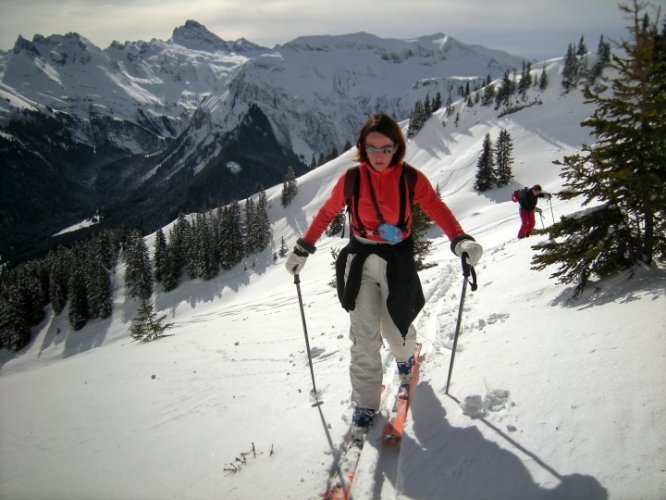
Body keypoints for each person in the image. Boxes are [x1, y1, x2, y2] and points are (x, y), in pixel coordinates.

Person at [285, 112, 483, 445]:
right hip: (361, 259)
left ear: (396, 148)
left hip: (397, 260)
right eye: (372, 148)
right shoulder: (351, 180)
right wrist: (303, 248)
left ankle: (407, 357)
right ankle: (365, 404)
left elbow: (436, 208)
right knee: (363, 336)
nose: (379, 155)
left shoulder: (410, 178)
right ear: (362, 148)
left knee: (396, 328)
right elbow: (327, 213)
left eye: (386, 148)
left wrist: (460, 239)